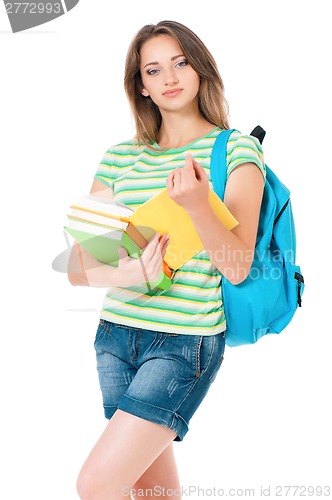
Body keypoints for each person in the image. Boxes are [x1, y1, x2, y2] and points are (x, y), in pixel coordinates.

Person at [68, 20, 266, 500]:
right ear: (141, 86)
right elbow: (79, 265)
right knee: (152, 492)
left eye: (180, 63)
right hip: (116, 336)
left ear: (199, 69)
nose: (169, 78)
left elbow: (238, 265)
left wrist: (198, 203)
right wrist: (131, 271)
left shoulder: (236, 150)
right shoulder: (119, 158)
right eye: (153, 70)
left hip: (184, 343)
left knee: (97, 484)